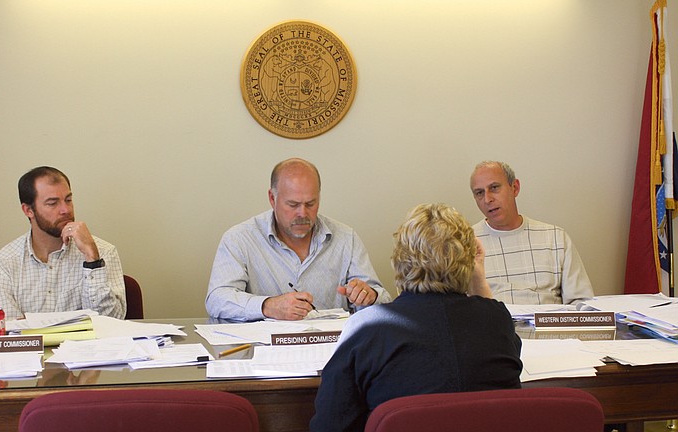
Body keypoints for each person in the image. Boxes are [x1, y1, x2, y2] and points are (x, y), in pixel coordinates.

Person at [310, 204, 522, 432]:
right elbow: (492, 314)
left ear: (400, 260)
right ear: (468, 262)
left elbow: (329, 424)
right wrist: (477, 275)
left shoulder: (366, 328)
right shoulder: (497, 320)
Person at [206, 158, 390, 321]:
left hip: (332, 351)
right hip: (263, 352)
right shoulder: (240, 238)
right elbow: (217, 299)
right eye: (293, 204)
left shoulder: (345, 238)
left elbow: (384, 301)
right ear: (272, 198)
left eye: (311, 203)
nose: (302, 213)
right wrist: (268, 306)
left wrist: (369, 296)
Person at [0, 166, 126, 320]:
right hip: (34, 345)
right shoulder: (0, 266)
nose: (65, 210)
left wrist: (93, 261)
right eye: (53, 203)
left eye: (68, 200)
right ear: (28, 210)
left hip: (87, 345)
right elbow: (8, 334)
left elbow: (113, 321)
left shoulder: (103, 252)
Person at [469, 161, 594, 305]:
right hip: (494, 326)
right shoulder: (465, 244)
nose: (488, 199)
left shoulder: (555, 238)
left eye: (495, 188)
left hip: (547, 325)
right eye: (479, 193)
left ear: (514, 188)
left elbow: (581, 302)